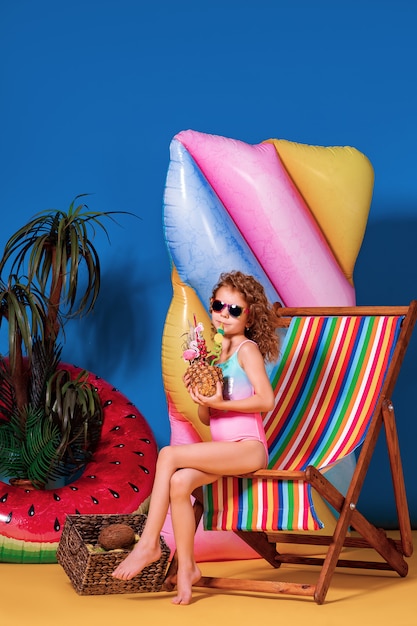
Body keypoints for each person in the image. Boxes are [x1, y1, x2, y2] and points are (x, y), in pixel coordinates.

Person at [112, 271, 280, 604]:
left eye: (234, 310)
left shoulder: (247, 350)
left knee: (168, 456)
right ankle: (188, 569)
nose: (223, 314)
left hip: (248, 449)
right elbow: (209, 417)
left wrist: (218, 401)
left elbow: (266, 400)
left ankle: (148, 544)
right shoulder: (217, 356)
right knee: (179, 484)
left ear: (249, 316)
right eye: (219, 305)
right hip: (224, 449)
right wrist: (204, 401)